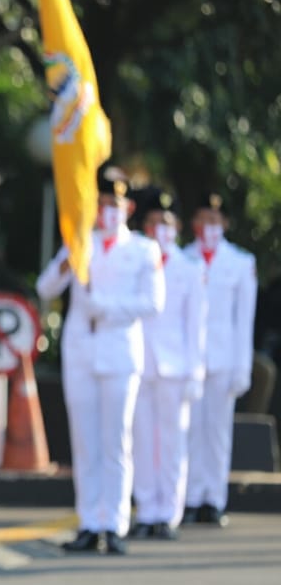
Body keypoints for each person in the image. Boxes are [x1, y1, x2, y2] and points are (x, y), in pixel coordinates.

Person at [36, 172, 164, 555]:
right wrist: (67, 257)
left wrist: (106, 309)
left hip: (120, 352)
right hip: (81, 352)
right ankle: (90, 521)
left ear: (128, 209)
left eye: (114, 205)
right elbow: (45, 288)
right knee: (85, 442)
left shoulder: (143, 249)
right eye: (101, 204)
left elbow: (153, 303)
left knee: (116, 441)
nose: (107, 211)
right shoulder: (80, 243)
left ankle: (115, 523)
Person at [130, 189, 206, 540]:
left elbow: (196, 324)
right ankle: (146, 509)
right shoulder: (137, 260)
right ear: (144, 226)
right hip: (140, 362)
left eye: (166, 222)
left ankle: (168, 513)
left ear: (176, 228)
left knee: (173, 442)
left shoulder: (189, 268)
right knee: (143, 440)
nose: (160, 228)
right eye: (153, 222)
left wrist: (196, 371)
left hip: (176, 366)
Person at [182, 192, 257, 527]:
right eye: (203, 220)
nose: (208, 227)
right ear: (194, 224)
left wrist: (243, 366)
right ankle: (190, 496)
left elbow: (244, 321)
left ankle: (213, 498)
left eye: (215, 221)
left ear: (225, 224)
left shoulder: (241, 263)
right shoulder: (184, 259)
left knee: (216, 431)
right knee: (189, 429)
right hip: (189, 359)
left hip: (224, 358)